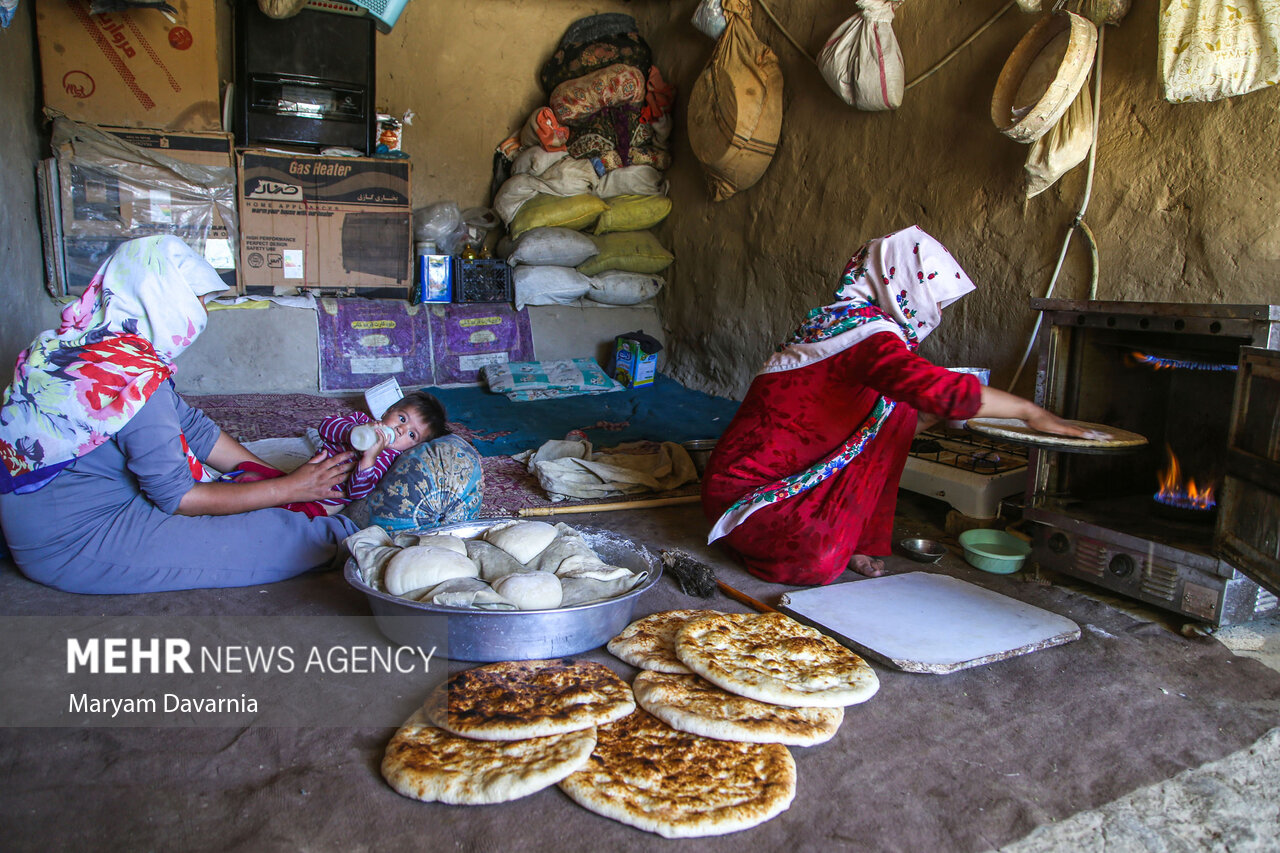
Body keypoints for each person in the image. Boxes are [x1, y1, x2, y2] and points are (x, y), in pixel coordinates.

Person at [701, 225, 1087, 585]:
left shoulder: (856, 326)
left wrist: (933, 416)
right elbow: (934, 389)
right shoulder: (863, 334)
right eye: (933, 300)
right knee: (815, 561)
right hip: (750, 495)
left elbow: (879, 431)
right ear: (902, 284)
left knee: (897, 412)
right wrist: (1031, 412)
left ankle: (856, 540)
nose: (936, 313)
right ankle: (767, 541)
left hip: (789, 481)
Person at [0, 236, 360, 594]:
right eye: (200, 301)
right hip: (75, 542)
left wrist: (275, 480)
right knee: (304, 539)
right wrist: (289, 489)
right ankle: (354, 535)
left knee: (260, 499)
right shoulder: (133, 374)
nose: (204, 314)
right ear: (165, 299)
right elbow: (178, 497)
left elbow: (193, 428)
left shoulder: (81, 344)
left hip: (57, 517)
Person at [236, 391, 450, 518]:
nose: (401, 430)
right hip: (300, 477)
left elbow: (357, 492)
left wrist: (369, 458)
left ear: (412, 447)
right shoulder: (358, 422)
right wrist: (354, 433)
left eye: (412, 434)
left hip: (321, 501)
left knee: (272, 515)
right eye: (402, 419)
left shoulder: (386, 460)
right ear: (387, 412)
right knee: (253, 477)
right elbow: (325, 427)